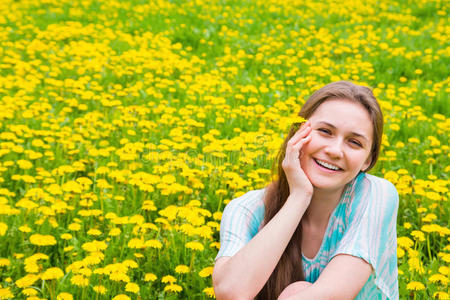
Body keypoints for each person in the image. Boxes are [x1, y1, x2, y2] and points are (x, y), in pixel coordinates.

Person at [212, 81, 399, 300]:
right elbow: (231, 291)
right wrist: (299, 197)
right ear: (297, 134)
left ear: (368, 160)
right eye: (325, 131)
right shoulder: (246, 209)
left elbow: (334, 293)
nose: (335, 150)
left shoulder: (376, 195)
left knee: (297, 292)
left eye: (354, 142)